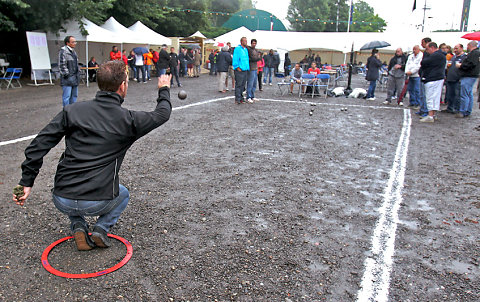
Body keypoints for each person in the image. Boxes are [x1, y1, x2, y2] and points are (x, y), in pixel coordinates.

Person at [12, 60, 172, 251]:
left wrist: (26, 182)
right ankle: (101, 228)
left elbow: (38, 145)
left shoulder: (71, 111)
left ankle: (78, 225)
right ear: (122, 86)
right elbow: (162, 114)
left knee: (67, 183)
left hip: (62, 199)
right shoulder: (129, 120)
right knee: (123, 194)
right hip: (98, 202)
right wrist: (163, 89)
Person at [419, 42, 446, 123]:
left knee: (430, 97)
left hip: (432, 79)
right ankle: (433, 114)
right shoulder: (441, 55)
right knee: (435, 97)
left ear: (432, 47)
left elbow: (423, 62)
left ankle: (430, 115)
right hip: (438, 78)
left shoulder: (436, 55)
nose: (426, 51)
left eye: (427, 49)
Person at [456, 41, 480, 118]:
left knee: (464, 94)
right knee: (469, 94)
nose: (467, 47)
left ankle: (463, 111)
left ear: (470, 45)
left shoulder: (474, 53)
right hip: (472, 75)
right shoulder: (476, 53)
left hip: (469, 75)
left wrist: (461, 65)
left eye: (467, 46)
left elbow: (471, 64)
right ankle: (467, 110)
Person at [443, 44, 466, 114]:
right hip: (450, 78)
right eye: (454, 49)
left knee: (457, 95)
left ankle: (457, 109)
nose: (455, 50)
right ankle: (449, 107)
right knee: (450, 94)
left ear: (461, 48)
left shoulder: (464, 57)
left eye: (457, 48)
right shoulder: (453, 57)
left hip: (457, 78)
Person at [58, 35, 80, 107]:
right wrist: (67, 75)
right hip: (67, 79)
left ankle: (72, 112)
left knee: (74, 96)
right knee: (66, 97)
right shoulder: (63, 52)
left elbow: (76, 64)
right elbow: (61, 65)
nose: (75, 43)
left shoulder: (74, 52)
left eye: (75, 42)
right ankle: (66, 112)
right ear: (67, 43)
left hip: (75, 78)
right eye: (73, 42)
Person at [416, 37, 432, 117]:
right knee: (421, 94)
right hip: (422, 74)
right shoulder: (425, 52)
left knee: (426, 94)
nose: (421, 44)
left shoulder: (429, 53)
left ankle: (425, 110)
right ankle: (422, 109)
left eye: (422, 43)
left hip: (427, 75)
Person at [232, 36, 250, 104]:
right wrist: (237, 67)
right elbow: (235, 58)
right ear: (241, 41)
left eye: (246, 41)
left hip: (245, 69)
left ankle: (241, 97)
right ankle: (237, 98)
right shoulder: (237, 49)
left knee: (243, 85)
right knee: (239, 84)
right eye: (245, 41)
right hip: (239, 69)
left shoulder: (245, 49)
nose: (246, 42)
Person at [246, 39, 261, 103]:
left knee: (254, 83)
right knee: (250, 83)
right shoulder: (249, 50)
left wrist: (256, 58)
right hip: (251, 68)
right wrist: (256, 58)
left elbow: (257, 58)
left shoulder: (256, 50)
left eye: (255, 43)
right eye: (253, 43)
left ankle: (252, 96)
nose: (254, 44)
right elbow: (253, 58)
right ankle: (248, 96)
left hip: (255, 68)